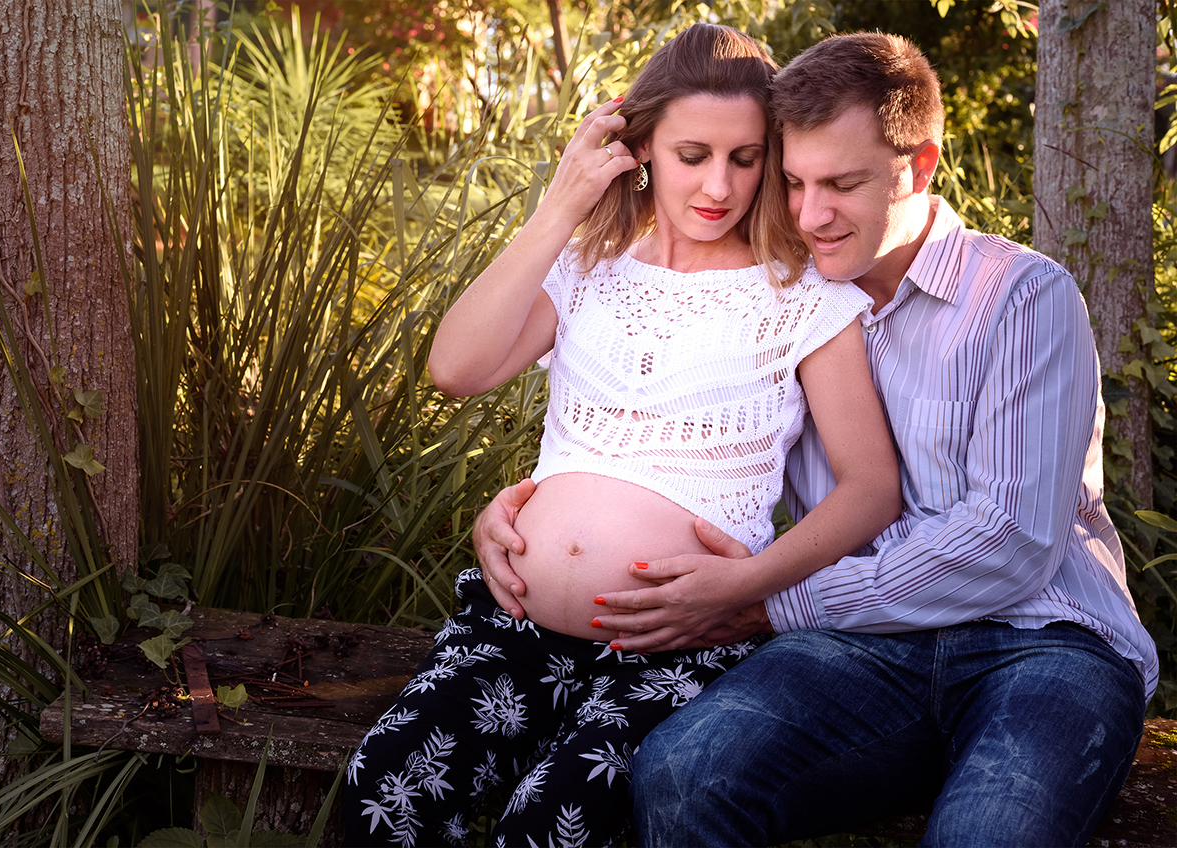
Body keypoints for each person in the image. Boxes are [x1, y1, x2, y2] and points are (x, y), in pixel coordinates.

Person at [474, 31, 1159, 848]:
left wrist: (768, 601)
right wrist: (531, 504)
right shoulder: (786, 294)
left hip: (1041, 646)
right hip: (862, 652)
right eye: (794, 182)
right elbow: (656, 420)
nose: (810, 213)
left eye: (843, 184)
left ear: (923, 164)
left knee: (987, 834)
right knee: (686, 775)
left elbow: (1009, 542)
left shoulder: (1018, 296)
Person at [342, 23, 902, 848]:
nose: (719, 184)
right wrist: (561, 206)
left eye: (745, 158)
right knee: (383, 789)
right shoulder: (589, 266)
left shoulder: (802, 298)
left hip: (676, 645)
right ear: (640, 147)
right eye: (692, 154)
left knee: (551, 822)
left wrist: (747, 589)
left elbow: (871, 489)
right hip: (516, 630)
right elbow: (457, 369)